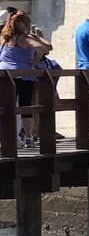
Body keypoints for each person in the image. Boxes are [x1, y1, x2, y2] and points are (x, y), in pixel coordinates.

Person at [0, 11, 52, 146]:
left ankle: (7, 137)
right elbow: (44, 49)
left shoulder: (4, 38)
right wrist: (36, 60)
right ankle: (28, 137)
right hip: (23, 75)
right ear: (22, 24)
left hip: (4, 75)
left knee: (6, 106)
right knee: (25, 106)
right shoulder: (24, 38)